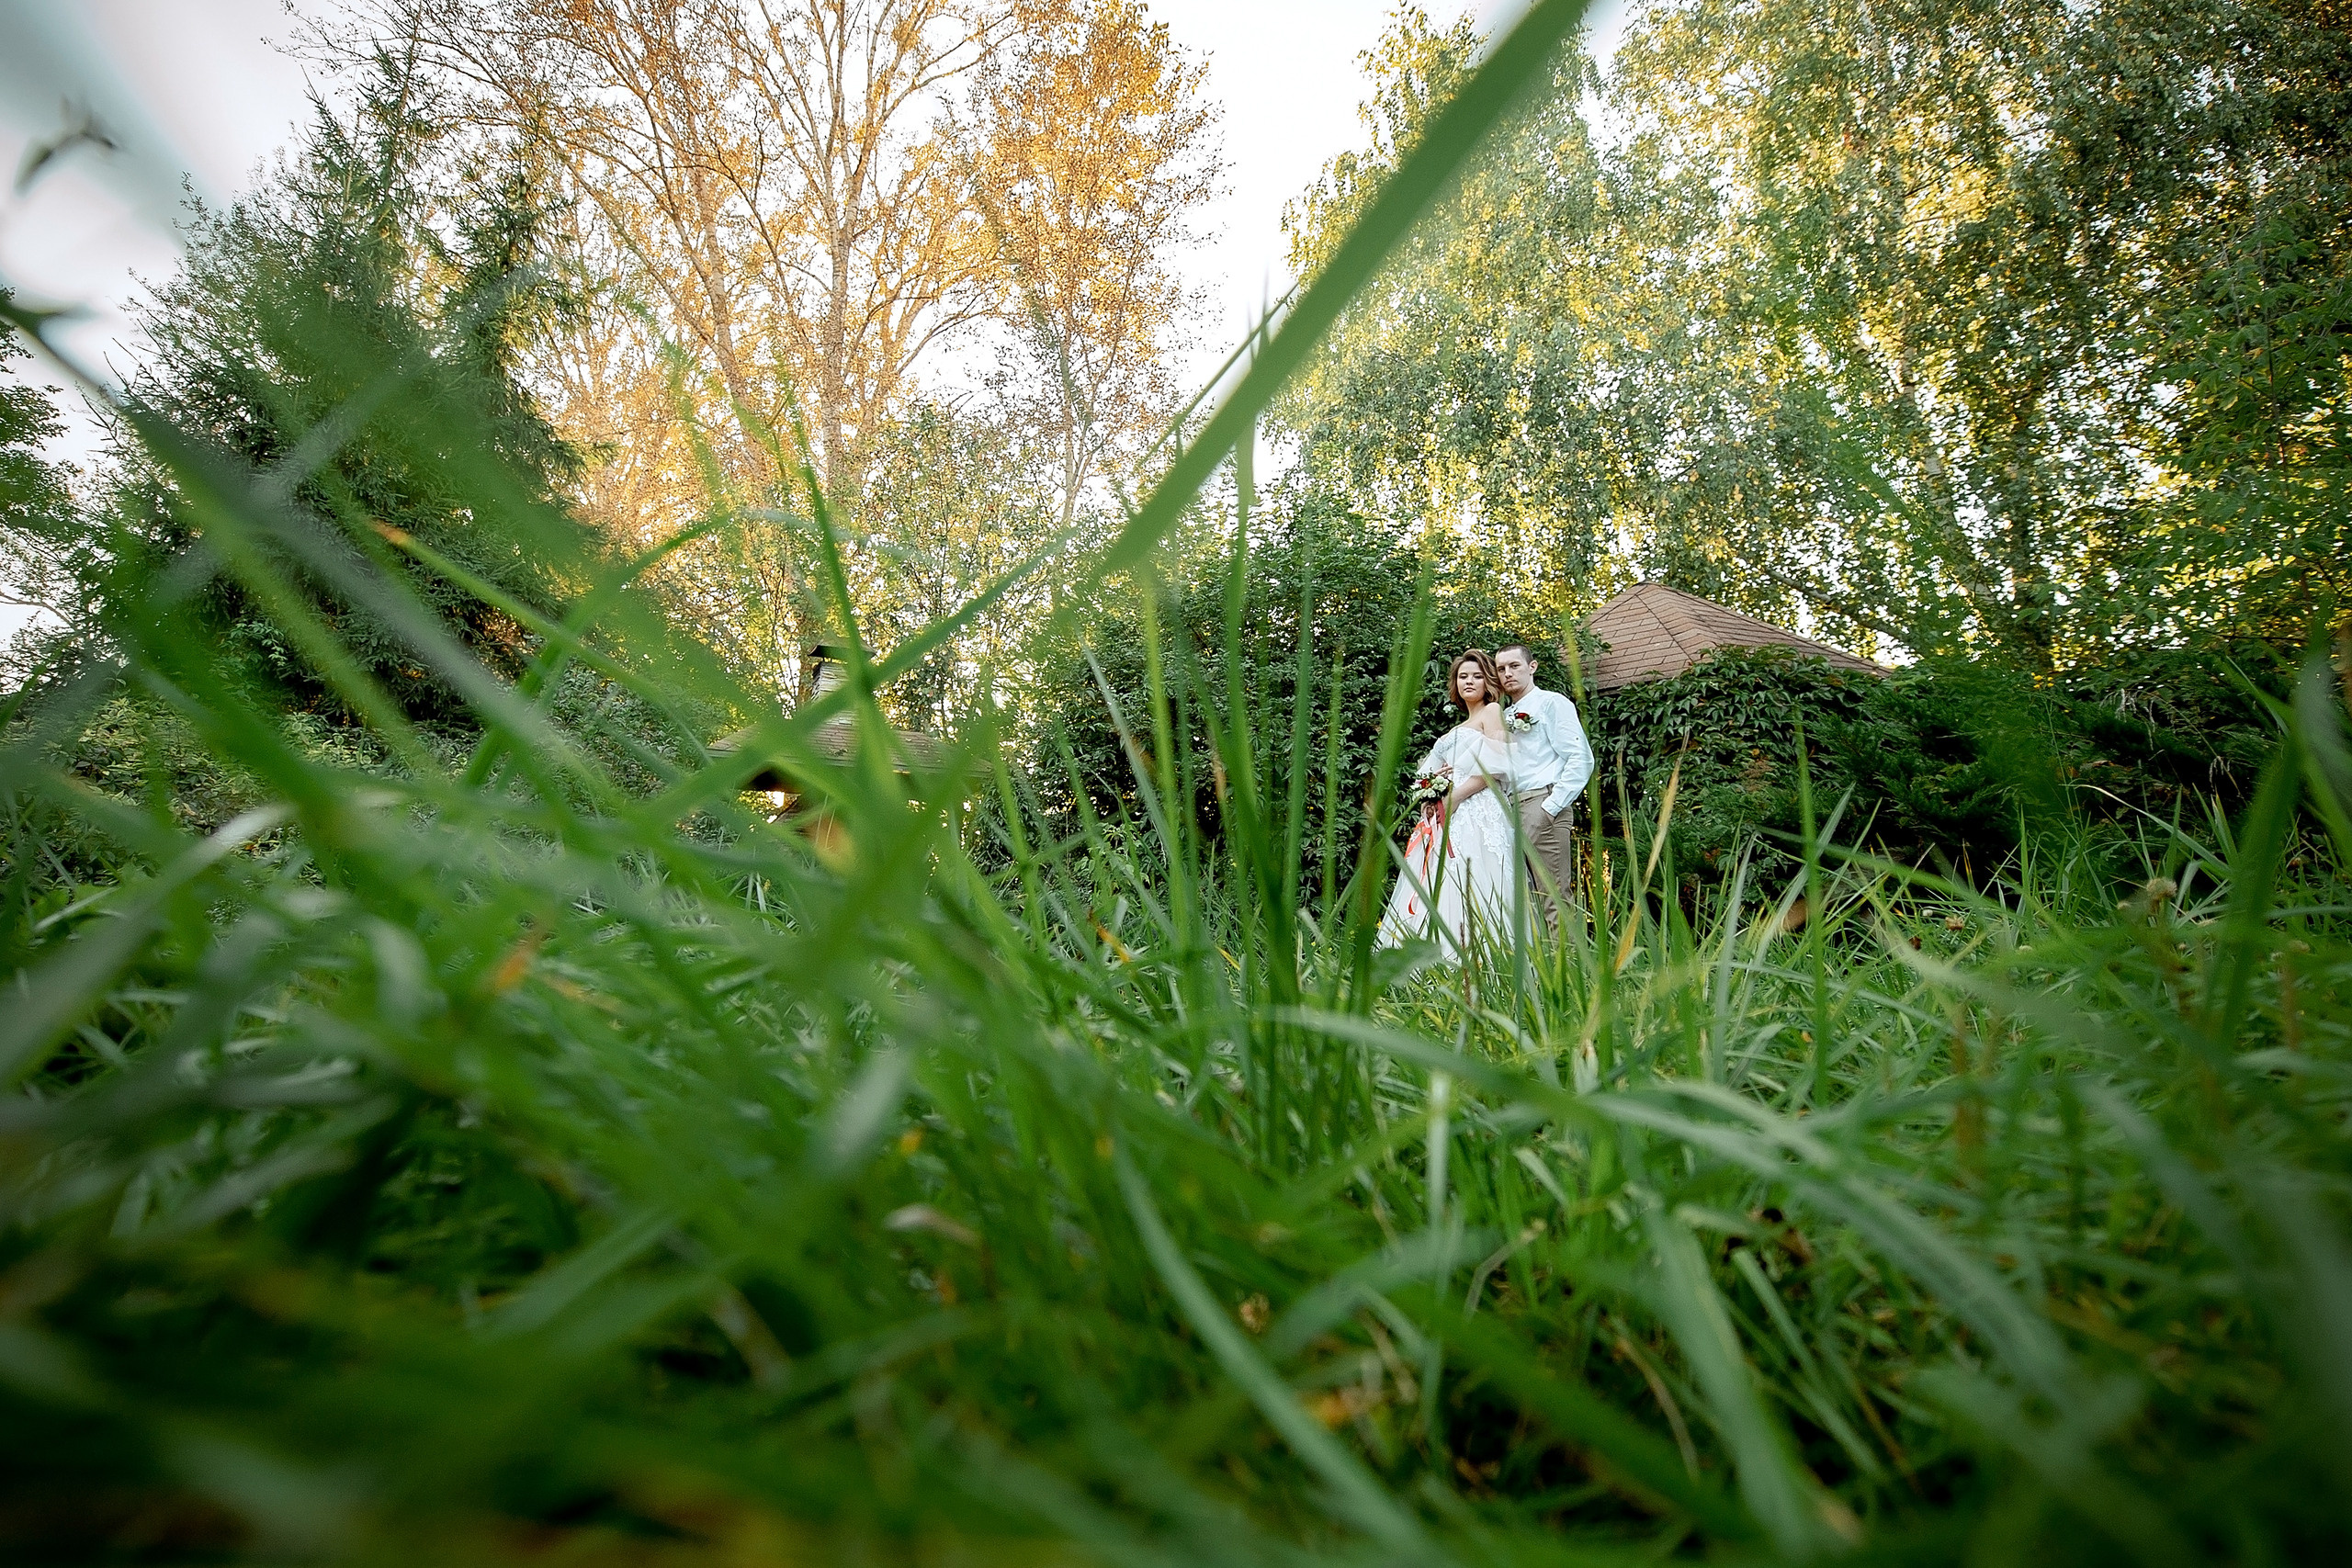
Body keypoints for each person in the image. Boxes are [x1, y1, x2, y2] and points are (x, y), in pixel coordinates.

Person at [1378, 649, 1523, 954]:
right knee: (1443, 880)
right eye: (1462, 676)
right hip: (1447, 812)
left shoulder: (1492, 711)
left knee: (1473, 876)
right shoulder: (1453, 731)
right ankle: (1436, 955)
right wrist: (1430, 797)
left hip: (1476, 809)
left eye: (1477, 676)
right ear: (1455, 684)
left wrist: (1452, 798)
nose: (1469, 681)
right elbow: (1430, 775)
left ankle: (1483, 956)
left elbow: (1496, 766)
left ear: (1488, 681)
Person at [1491, 641, 1594, 929]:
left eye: (1515, 666)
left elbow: (1580, 758)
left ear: (1532, 667)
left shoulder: (1551, 703)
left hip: (1541, 804)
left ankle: (1569, 972)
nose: (1508, 673)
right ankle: (1538, 973)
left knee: (1554, 900)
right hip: (1509, 810)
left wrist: (1549, 809)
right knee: (1525, 903)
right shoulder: (1502, 715)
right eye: (1501, 669)